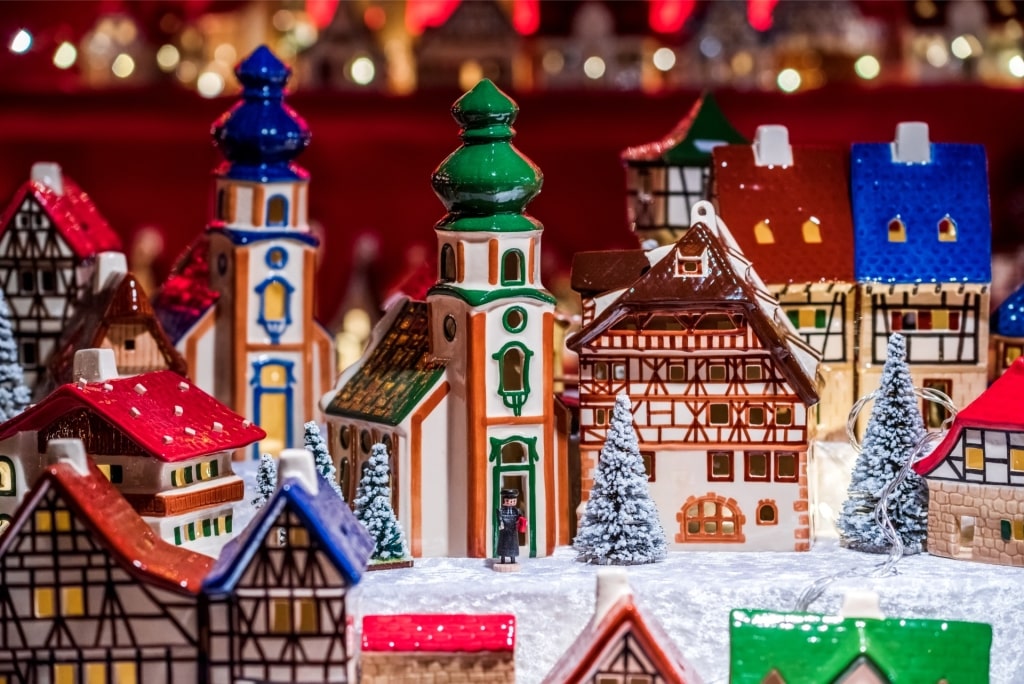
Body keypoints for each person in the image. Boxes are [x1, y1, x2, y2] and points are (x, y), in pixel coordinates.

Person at [495, 488, 526, 565]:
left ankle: (513, 559)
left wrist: (523, 522)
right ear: (504, 500)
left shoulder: (517, 511)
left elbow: (521, 518)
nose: (511, 502)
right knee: (503, 543)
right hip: (504, 530)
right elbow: (499, 518)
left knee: (513, 545)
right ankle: (503, 559)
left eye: (513, 500)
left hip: (513, 530)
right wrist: (501, 524)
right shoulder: (501, 511)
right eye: (509, 500)